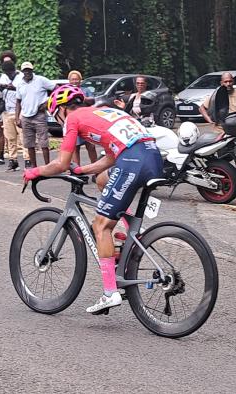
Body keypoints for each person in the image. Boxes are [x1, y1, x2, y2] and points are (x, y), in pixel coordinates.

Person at [23, 84, 162, 314]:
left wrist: (34, 172)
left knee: (100, 225)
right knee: (102, 181)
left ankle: (110, 292)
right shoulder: (103, 111)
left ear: (62, 109)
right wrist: (84, 170)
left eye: (55, 114)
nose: (58, 120)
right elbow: (110, 157)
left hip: (133, 161)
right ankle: (129, 238)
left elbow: (61, 163)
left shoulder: (73, 119)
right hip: (151, 156)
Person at [198, 72, 236, 199]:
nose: (228, 84)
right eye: (225, 82)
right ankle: (225, 187)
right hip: (220, 136)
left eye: (230, 81)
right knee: (221, 162)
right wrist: (209, 119)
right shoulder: (216, 96)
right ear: (221, 83)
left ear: (233, 82)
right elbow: (201, 108)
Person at [15, 62, 56, 167]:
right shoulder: (20, 83)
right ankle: (34, 167)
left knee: (43, 142)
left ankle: (48, 166)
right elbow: (18, 101)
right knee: (29, 144)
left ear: (32, 70)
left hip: (39, 115)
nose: (27, 72)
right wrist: (17, 117)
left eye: (29, 70)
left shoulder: (41, 80)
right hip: (26, 116)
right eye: (25, 70)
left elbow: (56, 88)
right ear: (22, 71)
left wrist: (47, 102)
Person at [0, 58, 27, 171]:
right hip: (7, 110)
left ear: (14, 70)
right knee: (10, 137)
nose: (9, 75)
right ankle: (13, 160)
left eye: (10, 73)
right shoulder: (3, 77)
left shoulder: (21, 77)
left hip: (20, 111)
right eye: (7, 73)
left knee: (23, 137)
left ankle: (27, 160)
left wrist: (14, 88)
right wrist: (1, 88)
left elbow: (25, 92)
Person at [67, 70, 98, 166]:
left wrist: (82, 98)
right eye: (72, 79)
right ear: (69, 81)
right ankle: (77, 172)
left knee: (91, 146)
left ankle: (96, 170)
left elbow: (93, 101)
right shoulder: (66, 91)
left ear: (80, 80)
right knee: (75, 147)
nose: (75, 81)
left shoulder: (86, 90)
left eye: (77, 79)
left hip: (86, 121)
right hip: (73, 121)